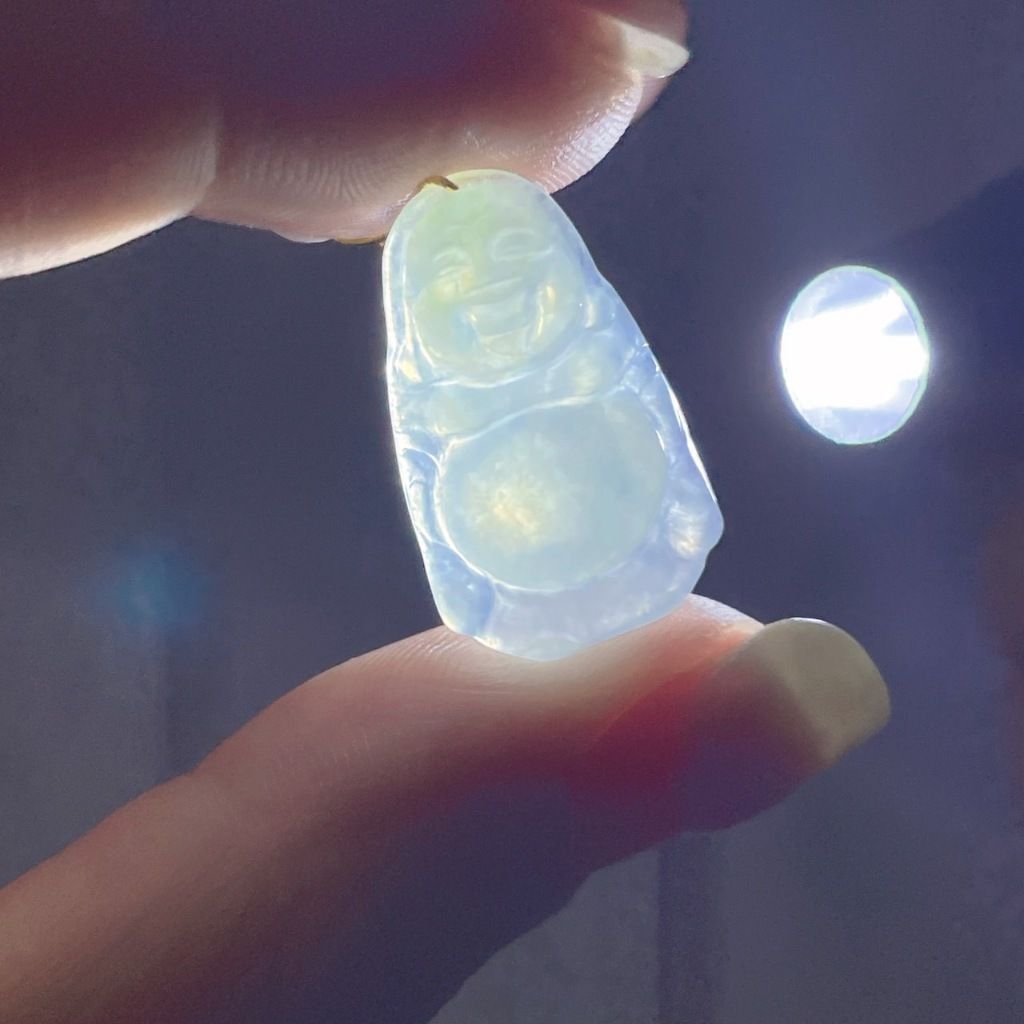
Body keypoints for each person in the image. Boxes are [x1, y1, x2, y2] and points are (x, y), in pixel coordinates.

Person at [0, 2, 890, 1021]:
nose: (488, 292)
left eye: (507, 263)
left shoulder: (588, 361)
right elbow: (438, 465)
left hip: (602, 511)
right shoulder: (443, 398)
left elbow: (642, 417)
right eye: (458, 280)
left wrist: (665, 513)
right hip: (509, 541)